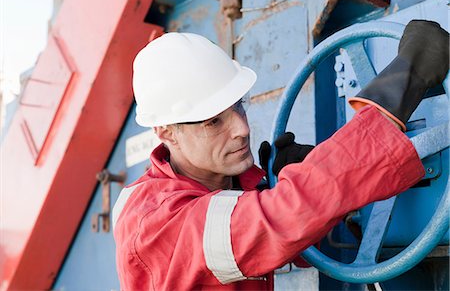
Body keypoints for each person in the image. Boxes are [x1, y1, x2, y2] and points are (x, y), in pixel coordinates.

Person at [112, 20, 448, 290]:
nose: (242, 129)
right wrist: (398, 91)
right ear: (166, 132)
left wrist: (273, 184)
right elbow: (279, 220)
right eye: (214, 121)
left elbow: (286, 240)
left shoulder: (224, 187)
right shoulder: (154, 223)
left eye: (238, 107)